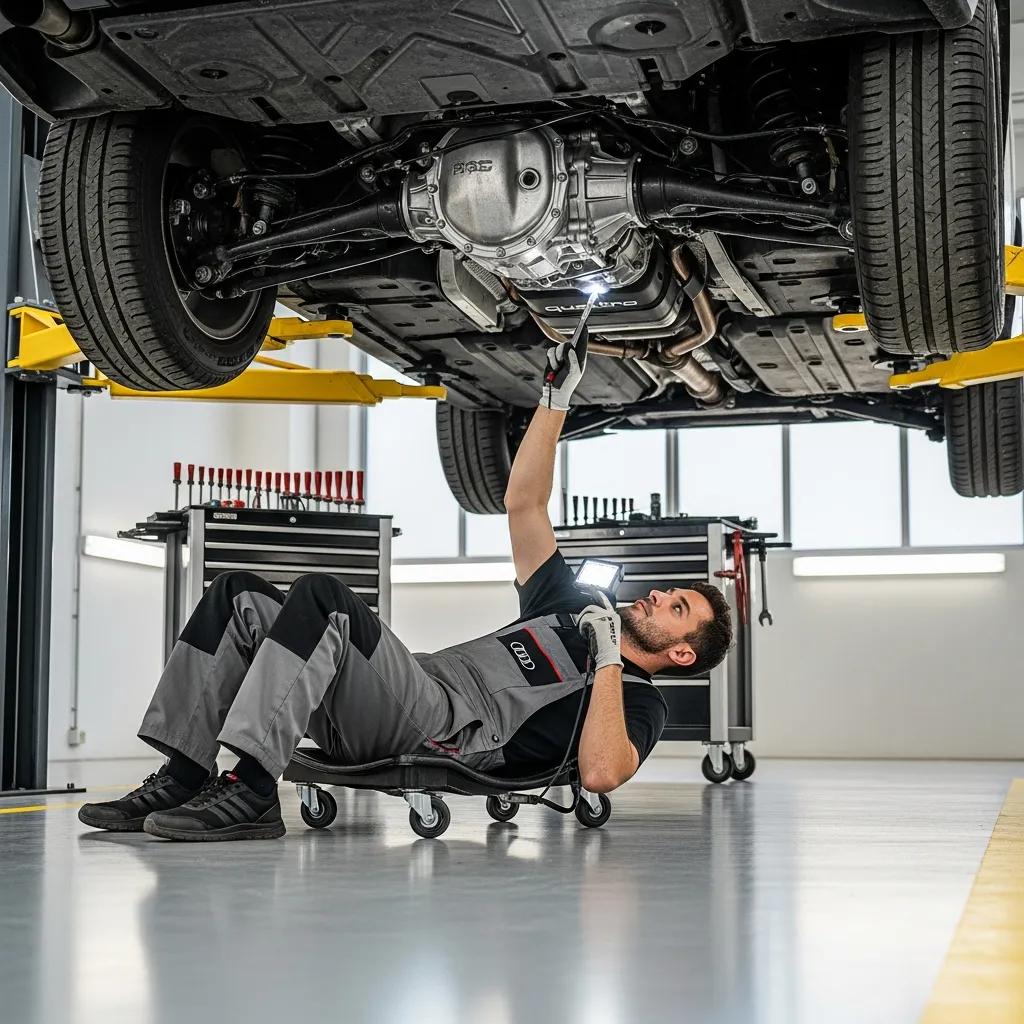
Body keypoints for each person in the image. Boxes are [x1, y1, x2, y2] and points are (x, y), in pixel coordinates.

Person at [78, 328, 733, 842]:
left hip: (440, 727)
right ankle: (184, 774)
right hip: (407, 689)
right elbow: (524, 506)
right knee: (237, 594)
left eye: (676, 608)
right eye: (668, 591)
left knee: (325, 598)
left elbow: (601, 772)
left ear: (682, 653)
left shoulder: (643, 702)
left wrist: (611, 656)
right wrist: (555, 399)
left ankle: (251, 790)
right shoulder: (568, 607)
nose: (655, 595)